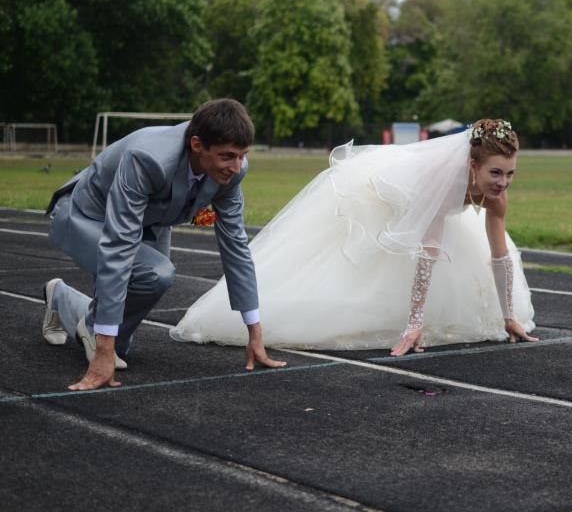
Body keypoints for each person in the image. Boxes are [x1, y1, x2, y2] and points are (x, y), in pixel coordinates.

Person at [171, 118, 538, 355]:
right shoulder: (442, 186)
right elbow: (428, 252)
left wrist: (508, 315)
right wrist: (414, 325)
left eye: (510, 174)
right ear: (472, 166)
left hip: (424, 214)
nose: (503, 183)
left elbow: (499, 255)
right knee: (358, 270)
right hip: (382, 197)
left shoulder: (497, 198)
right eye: (496, 173)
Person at [42, 99, 286, 391]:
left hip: (150, 220)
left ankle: (64, 300)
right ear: (197, 144)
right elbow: (119, 244)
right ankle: (96, 331)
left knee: (127, 332)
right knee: (155, 273)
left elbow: (236, 247)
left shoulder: (233, 171)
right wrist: (103, 349)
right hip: (88, 215)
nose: (236, 166)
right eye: (227, 156)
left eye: (242, 156)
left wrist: (254, 334)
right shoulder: (148, 158)